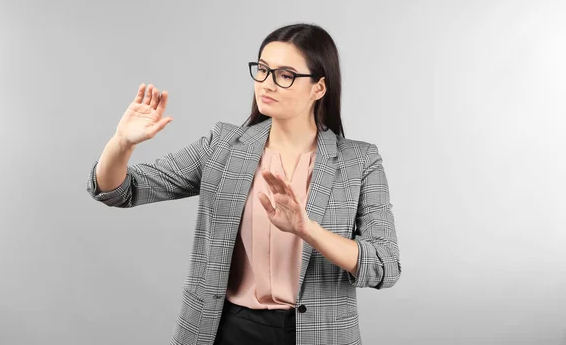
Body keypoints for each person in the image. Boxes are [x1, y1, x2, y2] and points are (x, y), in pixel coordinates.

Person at [86, 23, 401, 345]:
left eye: (286, 75)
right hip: (226, 330)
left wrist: (307, 229)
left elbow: (384, 266)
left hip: (318, 333)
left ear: (319, 88)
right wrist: (122, 143)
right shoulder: (222, 146)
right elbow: (120, 191)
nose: (267, 84)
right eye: (262, 70)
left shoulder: (359, 161)